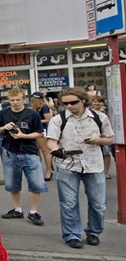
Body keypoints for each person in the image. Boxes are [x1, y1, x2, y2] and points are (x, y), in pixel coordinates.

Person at [46, 87, 114, 248]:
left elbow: (110, 139)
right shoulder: (58, 119)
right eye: (65, 103)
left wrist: (97, 140)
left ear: (83, 100)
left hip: (93, 164)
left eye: (73, 102)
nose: (69, 106)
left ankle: (94, 232)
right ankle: (72, 234)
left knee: (98, 203)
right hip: (69, 165)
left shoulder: (99, 117)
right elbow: (51, 140)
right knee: (69, 203)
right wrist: (56, 150)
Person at [0, 88, 47, 226]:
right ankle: (17, 209)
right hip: (10, 151)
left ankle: (33, 212)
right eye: (12, 100)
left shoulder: (32, 114)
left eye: (18, 100)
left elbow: (39, 133)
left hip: (29, 151)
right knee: (12, 184)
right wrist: (4, 127)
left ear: (24, 99)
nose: (15, 103)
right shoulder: (3, 113)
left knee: (35, 184)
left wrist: (23, 135)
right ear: (8, 100)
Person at [30, 92, 54, 180]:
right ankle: (37, 170)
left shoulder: (44, 107)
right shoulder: (34, 108)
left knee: (45, 151)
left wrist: (36, 121)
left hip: (41, 130)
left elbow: (48, 119)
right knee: (35, 151)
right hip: (33, 130)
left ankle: (48, 171)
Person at [90, 95, 113, 178]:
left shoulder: (107, 112)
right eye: (95, 101)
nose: (97, 103)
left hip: (105, 135)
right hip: (95, 135)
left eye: (99, 101)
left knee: (106, 153)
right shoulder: (89, 112)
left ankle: (106, 172)